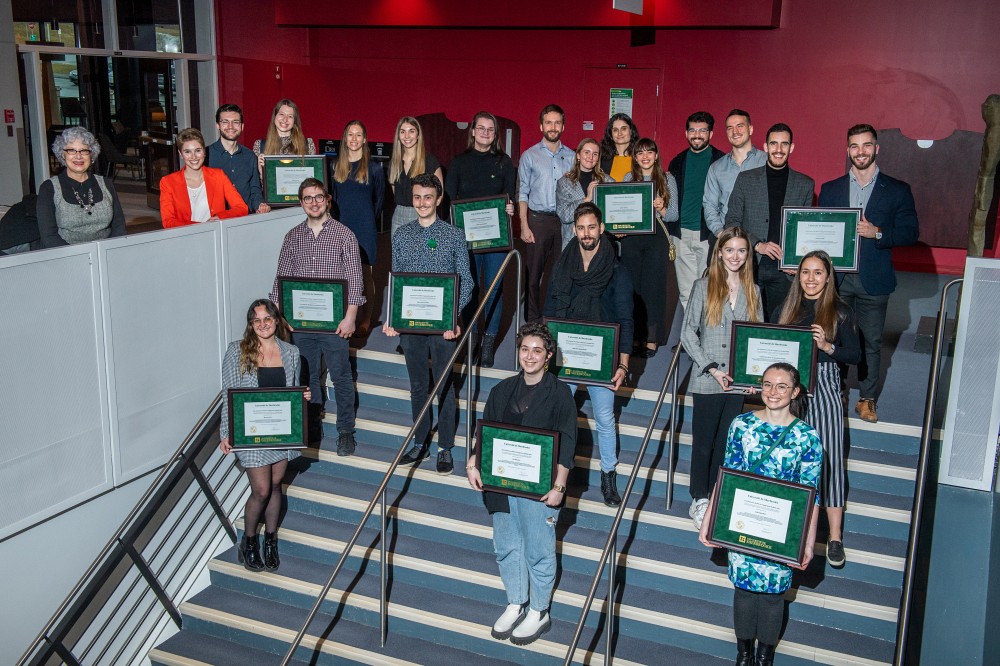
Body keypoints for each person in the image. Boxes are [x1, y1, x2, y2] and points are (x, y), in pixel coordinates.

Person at [698, 363, 822, 666]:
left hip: (781, 528)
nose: (773, 392)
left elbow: (812, 495)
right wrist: (710, 520)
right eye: (767, 384)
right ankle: (743, 652)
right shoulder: (741, 425)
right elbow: (726, 477)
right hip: (744, 520)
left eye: (782, 386)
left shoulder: (807, 438)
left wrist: (806, 542)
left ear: (794, 392)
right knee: (743, 588)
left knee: (772, 594)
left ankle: (765, 655)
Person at [466, 322, 576, 646]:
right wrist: (473, 463)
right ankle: (516, 601)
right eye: (525, 349)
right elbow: (482, 434)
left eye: (537, 351)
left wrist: (559, 487)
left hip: (539, 491)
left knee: (539, 551)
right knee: (506, 547)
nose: (530, 356)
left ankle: (539, 610)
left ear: (549, 356)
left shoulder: (560, 394)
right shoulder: (501, 390)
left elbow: (568, 441)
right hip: (501, 485)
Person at [817, 124, 919, 423]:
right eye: (854, 146)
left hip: (874, 279)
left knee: (871, 341)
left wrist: (878, 233)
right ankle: (834, 390)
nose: (860, 151)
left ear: (876, 149)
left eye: (866, 145)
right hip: (838, 279)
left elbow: (911, 232)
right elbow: (822, 231)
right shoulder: (831, 189)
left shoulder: (897, 189)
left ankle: (867, 398)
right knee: (835, 337)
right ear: (848, 150)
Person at [383, 173, 473, 475]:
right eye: (418, 197)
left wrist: (454, 317)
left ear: (439, 199)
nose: (422, 202)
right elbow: (395, 279)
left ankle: (445, 446)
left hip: (444, 326)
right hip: (410, 326)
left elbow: (467, 282)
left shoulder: (454, 235)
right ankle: (419, 440)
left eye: (428, 197)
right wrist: (392, 319)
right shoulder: (401, 235)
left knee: (445, 386)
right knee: (418, 386)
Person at [545, 201, 633, 506]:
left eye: (591, 227)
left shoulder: (616, 271)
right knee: (557, 413)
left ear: (602, 229)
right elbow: (550, 310)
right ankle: (556, 473)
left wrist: (622, 365)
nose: (586, 233)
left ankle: (608, 475)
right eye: (581, 228)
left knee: (605, 418)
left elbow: (625, 320)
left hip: (602, 356)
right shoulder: (563, 264)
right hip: (566, 352)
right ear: (574, 230)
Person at [776, 250, 861, 568]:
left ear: (828, 278)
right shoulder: (786, 308)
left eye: (817, 273)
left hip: (824, 388)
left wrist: (828, 346)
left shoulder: (839, 311)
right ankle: (791, 526)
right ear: (798, 276)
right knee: (788, 460)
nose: (810, 279)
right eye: (805, 272)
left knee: (831, 462)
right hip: (789, 389)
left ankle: (835, 536)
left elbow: (855, 356)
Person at [270, 178, 365, 457]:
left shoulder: (344, 235)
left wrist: (350, 318)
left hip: (335, 325)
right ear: (301, 203)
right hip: (299, 324)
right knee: (306, 376)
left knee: (341, 376)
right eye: (308, 198)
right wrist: (278, 317)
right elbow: (280, 280)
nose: (313, 202)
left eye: (318, 197)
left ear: (328, 200)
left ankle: (345, 431)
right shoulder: (292, 237)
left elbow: (355, 281)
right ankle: (313, 424)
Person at [219, 298, 310, 572]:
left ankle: (270, 540)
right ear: (251, 324)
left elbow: (293, 393)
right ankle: (248, 541)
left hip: (280, 433)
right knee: (260, 490)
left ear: (276, 320)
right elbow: (228, 396)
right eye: (256, 320)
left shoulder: (291, 352)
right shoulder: (237, 351)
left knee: (274, 486)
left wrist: (304, 396)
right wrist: (226, 432)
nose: (262, 325)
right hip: (252, 433)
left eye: (267, 319)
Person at [680, 227, 762, 529]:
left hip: (738, 381)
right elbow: (687, 333)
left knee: (726, 441)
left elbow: (758, 336)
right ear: (720, 253)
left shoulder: (754, 291)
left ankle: (715, 494)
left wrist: (756, 375)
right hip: (708, 378)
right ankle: (699, 498)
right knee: (703, 441)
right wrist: (711, 367)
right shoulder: (703, 286)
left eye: (741, 250)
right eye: (730, 250)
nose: (735, 256)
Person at [445, 111, 517, 367]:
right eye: (482, 128)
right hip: (466, 240)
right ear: (473, 131)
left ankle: (488, 343)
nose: (486, 133)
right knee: (470, 288)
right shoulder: (458, 163)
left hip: (497, 240)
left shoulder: (504, 162)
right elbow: (450, 203)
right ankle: (471, 339)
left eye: (491, 129)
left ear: (495, 135)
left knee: (494, 289)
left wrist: (511, 208)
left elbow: (510, 198)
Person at [724, 123, 815, 318]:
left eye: (784, 144)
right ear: (765, 147)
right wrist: (758, 245)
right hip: (749, 264)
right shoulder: (745, 179)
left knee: (780, 325)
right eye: (774, 144)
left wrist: (798, 260)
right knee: (746, 321)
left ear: (791, 148)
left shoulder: (805, 184)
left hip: (785, 271)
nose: (779, 150)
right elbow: (731, 222)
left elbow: (806, 232)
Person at [518, 104, 576, 323]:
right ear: (541, 125)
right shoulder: (529, 156)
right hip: (538, 220)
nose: (553, 127)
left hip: (564, 221)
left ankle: (552, 318)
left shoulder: (572, 157)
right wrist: (524, 225)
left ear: (563, 126)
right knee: (534, 275)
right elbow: (522, 192)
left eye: (557, 123)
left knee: (559, 273)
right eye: (549, 122)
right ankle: (532, 321)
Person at [621, 138, 679, 357]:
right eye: (640, 153)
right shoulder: (629, 178)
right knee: (633, 288)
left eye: (649, 152)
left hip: (656, 238)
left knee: (653, 289)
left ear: (656, 155)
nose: (645, 157)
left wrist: (662, 208)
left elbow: (673, 215)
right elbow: (623, 210)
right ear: (635, 157)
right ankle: (635, 336)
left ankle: (652, 338)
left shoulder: (667, 179)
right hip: (632, 239)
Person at [331, 120, 385, 336]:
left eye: (358, 135)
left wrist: (368, 221)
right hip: (341, 226)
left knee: (365, 275)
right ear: (345, 138)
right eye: (350, 134)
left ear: (364, 139)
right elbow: (333, 200)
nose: (354, 139)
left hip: (365, 228)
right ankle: (346, 316)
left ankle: (366, 319)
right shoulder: (335, 166)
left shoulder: (374, 169)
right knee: (342, 273)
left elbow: (379, 202)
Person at [667, 111, 726, 310]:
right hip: (681, 234)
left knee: (709, 289)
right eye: (692, 130)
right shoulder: (677, 161)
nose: (697, 135)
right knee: (686, 292)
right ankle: (689, 339)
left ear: (711, 133)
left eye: (702, 130)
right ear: (686, 133)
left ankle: (705, 338)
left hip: (708, 235)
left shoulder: (721, 161)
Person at [38, 126, 126, 247]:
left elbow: (119, 226)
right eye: (71, 150)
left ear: (91, 155)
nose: (78, 156)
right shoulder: (49, 188)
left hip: (104, 252)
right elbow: (49, 236)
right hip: (66, 256)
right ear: (63, 155)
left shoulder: (106, 184)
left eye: (84, 150)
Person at [160, 128, 248, 228]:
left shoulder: (218, 176)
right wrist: (202, 227)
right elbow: (168, 221)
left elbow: (241, 208)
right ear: (181, 154)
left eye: (198, 151)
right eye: (187, 152)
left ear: (204, 152)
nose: (194, 157)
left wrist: (220, 217)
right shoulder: (168, 182)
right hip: (185, 237)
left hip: (215, 235)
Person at [703, 109, 766, 238]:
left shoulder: (766, 162)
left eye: (740, 126)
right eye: (730, 128)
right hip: (726, 237)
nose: (735, 132)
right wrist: (721, 234)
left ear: (751, 129)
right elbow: (709, 205)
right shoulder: (716, 168)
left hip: (760, 239)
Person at [207, 103, 269, 214]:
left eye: (235, 122)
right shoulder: (206, 155)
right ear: (218, 125)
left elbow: (255, 190)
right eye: (225, 122)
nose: (230, 126)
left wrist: (260, 204)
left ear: (242, 126)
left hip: (245, 220)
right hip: (216, 221)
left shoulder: (250, 156)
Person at [388, 116, 443, 235]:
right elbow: (396, 192)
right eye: (402, 132)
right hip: (399, 216)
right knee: (399, 254)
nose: (407, 136)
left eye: (411, 131)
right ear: (398, 135)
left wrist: (426, 211)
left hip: (423, 215)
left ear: (418, 135)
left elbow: (440, 193)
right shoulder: (394, 163)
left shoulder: (429, 161)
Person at [555, 138, 611, 250]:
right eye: (587, 152)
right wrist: (586, 199)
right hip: (573, 242)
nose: (590, 157)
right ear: (578, 155)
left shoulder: (607, 181)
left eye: (595, 154)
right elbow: (564, 216)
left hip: (601, 242)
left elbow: (614, 213)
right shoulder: (565, 182)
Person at [252, 98, 316, 173]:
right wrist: (261, 173)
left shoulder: (308, 144)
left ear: (295, 121)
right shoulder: (260, 145)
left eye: (290, 116)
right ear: (275, 116)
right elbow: (255, 181)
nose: (285, 119)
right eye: (281, 114)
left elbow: (313, 178)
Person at [599, 113, 640, 182]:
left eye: (624, 129)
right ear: (610, 134)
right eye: (615, 130)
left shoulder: (640, 158)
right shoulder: (601, 159)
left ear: (631, 131)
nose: (619, 133)